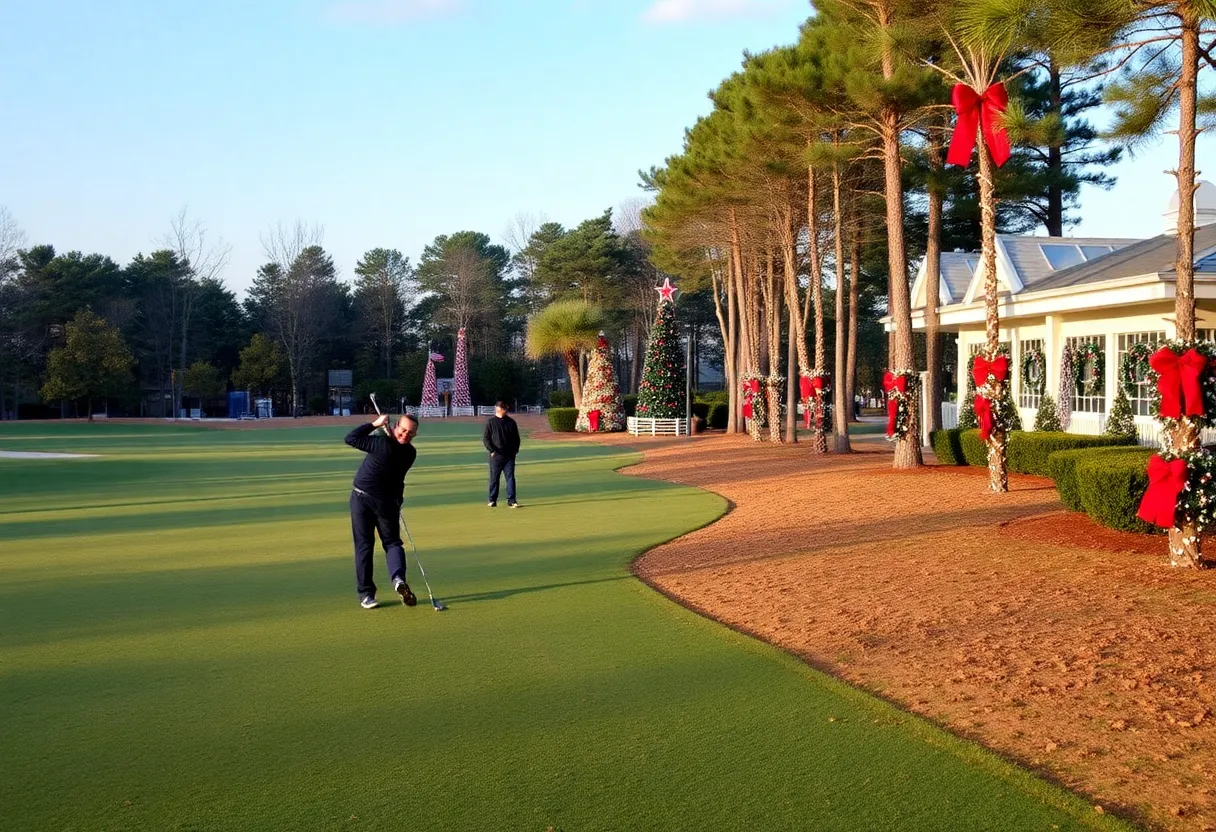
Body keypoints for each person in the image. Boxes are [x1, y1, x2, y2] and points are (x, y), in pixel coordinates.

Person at [345, 413, 420, 609]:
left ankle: (366, 594)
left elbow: (351, 438)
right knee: (392, 543)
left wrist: (375, 424)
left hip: (362, 498)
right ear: (396, 427)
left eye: (410, 433)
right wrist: (399, 501)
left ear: (415, 434)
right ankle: (397, 578)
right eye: (403, 430)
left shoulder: (381, 444)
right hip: (387, 502)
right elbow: (399, 480)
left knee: (364, 545)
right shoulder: (410, 453)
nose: (405, 435)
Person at [483, 399, 521, 508]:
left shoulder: (511, 422)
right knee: (494, 478)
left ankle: (512, 500)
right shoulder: (490, 422)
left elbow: (516, 439)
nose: (505, 410)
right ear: (499, 409)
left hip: (509, 456)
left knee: (510, 478)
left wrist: (515, 451)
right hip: (496, 456)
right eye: (502, 408)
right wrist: (492, 450)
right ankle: (492, 499)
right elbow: (486, 439)